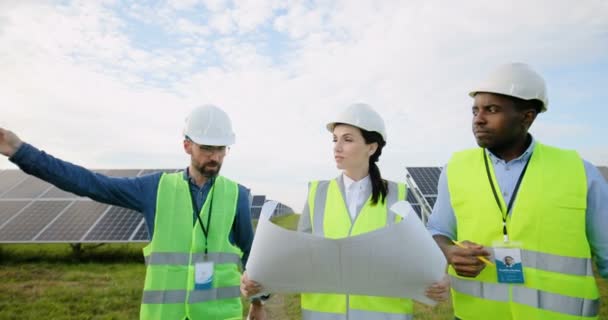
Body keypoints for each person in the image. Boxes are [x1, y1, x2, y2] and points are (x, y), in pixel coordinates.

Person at [0, 105, 265, 320]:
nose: (215, 158)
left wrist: (258, 302)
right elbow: (90, 183)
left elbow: (254, 260)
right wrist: (20, 152)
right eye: (207, 148)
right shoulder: (154, 189)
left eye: (221, 149)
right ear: (187, 146)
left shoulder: (237, 195)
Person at [427, 63, 608, 320]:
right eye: (475, 110)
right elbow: (437, 231)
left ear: (527, 116)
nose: (478, 119)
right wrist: (449, 251)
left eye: (492, 110)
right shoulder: (455, 169)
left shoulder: (579, 171)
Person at [242, 103, 449, 319]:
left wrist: (437, 281)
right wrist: (261, 285)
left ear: (372, 147)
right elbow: (298, 258)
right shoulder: (318, 194)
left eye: (347, 139)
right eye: (335, 139)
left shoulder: (396, 194)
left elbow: (416, 259)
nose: (337, 147)